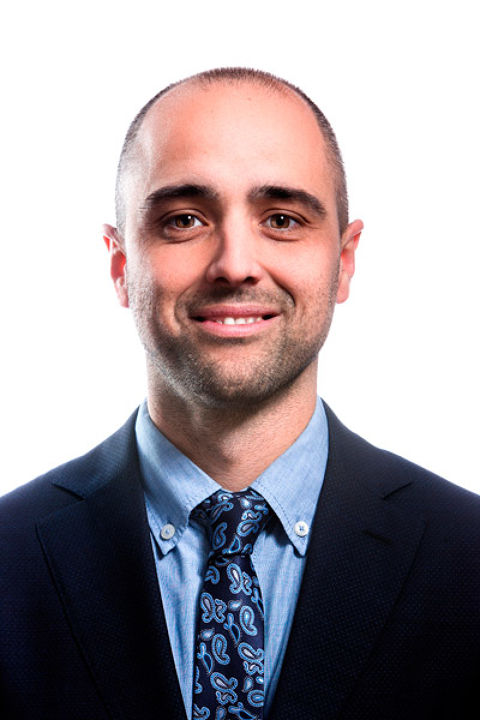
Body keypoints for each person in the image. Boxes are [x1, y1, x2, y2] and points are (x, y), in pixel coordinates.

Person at [1, 68, 479, 720]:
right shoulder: (10, 561)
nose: (234, 264)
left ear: (344, 261)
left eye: (281, 219)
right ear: (121, 265)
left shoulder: (468, 560)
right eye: (184, 220)